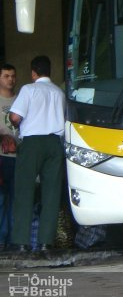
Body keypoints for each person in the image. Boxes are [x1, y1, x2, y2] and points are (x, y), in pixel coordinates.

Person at [9, 56, 65, 253]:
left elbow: (15, 116)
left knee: (24, 191)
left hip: (32, 143)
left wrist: (15, 123)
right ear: (49, 71)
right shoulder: (59, 92)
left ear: (33, 73)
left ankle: (21, 242)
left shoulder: (29, 89)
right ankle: (45, 243)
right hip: (54, 144)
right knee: (51, 194)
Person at [0, 63, 18, 250]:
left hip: (17, 157)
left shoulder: (20, 99)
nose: (10, 79)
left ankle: (13, 241)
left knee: (15, 199)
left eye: (12, 76)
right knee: (1, 199)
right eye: (6, 76)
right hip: (1, 156)